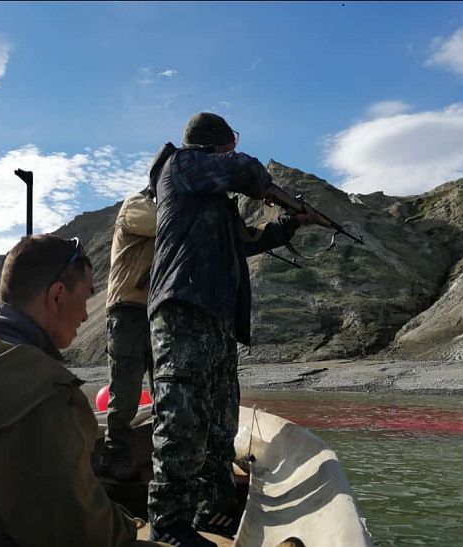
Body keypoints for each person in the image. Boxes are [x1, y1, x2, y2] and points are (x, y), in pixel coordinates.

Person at [0, 234, 163, 547]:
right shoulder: (46, 394)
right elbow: (80, 532)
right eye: (86, 297)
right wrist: (130, 526)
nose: (87, 315)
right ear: (57, 296)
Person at [146, 112, 316, 546]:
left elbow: (246, 241)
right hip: (183, 309)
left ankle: (211, 505)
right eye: (230, 143)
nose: (233, 150)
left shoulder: (210, 195)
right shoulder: (182, 166)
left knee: (219, 419)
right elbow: (247, 170)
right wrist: (277, 194)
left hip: (216, 317)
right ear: (217, 144)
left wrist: (291, 221)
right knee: (182, 417)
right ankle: (169, 524)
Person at [99, 187, 157, 483]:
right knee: (125, 391)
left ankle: (161, 453)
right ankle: (116, 456)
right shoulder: (136, 205)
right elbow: (163, 222)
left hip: (153, 312)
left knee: (162, 388)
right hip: (127, 310)